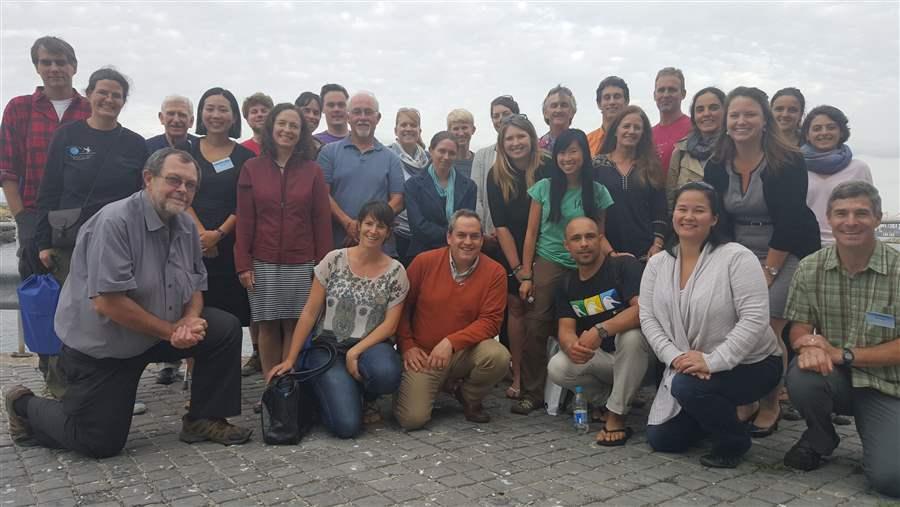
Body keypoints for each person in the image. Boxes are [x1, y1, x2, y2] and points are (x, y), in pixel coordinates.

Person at [3, 148, 252, 457]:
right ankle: (24, 405)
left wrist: (190, 319)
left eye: (190, 185)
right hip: (106, 346)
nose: (183, 190)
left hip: (155, 333)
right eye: (174, 180)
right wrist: (171, 331)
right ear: (148, 179)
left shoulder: (186, 227)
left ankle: (203, 419)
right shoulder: (114, 222)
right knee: (98, 442)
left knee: (223, 328)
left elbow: (195, 285)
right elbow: (108, 304)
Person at [704, 86, 820, 437]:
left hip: (786, 250)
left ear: (764, 120)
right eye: (735, 115)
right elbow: (719, 220)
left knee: (768, 326)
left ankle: (771, 403)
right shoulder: (716, 164)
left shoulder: (789, 161)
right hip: (738, 249)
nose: (742, 121)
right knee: (729, 320)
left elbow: (790, 220)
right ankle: (746, 397)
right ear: (726, 122)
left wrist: (768, 271)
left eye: (750, 114)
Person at [641, 181, 782, 468]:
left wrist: (713, 361)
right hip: (688, 364)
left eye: (699, 210)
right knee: (663, 439)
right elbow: (648, 316)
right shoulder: (658, 263)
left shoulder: (737, 257)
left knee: (688, 388)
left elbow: (754, 318)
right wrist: (675, 357)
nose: (688, 216)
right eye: (682, 209)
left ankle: (734, 440)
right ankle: (719, 413)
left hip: (750, 364)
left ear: (715, 218)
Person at [781, 182, 899, 498]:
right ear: (829, 219)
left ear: (877, 217)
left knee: (891, 480)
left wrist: (841, 354)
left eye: (861, 213)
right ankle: (821, 438)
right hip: (836, 379)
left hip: (888, 386)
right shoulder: (810, 268)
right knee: (802, 374)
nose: (850, 221)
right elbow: (799, 328)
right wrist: (807, 346)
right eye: (841, 213)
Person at [268, 201, 407, 438]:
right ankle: (329, 392)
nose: (373, 231)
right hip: (328, 348)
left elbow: (390, 325)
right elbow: (310, 312)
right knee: (347, 427)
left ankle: (366, 395)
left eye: (381, 226)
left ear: (388, 233)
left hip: (370, 348)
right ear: (359, 225)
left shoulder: (396, 271)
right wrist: (290, 358)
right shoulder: (333, 260)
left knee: (386, 374)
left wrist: (355, 353)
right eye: (369, 223)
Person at [0, 36, 90, 400]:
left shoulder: (89, 108)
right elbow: (6, 171)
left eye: (61, 62)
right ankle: (54, 382)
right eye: (47, 62)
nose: (54, 69)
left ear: (74, 66)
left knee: (85, 297)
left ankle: (85, 379)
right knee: (44, 297)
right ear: (37, 66)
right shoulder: (19, 109)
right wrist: (22, 217)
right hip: (36, 217)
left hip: (83, 221)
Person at [512, 128, 615, 415]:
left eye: (573, 151)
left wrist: (616, 259)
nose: (567, 158)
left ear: (585, 154)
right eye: (562, 152)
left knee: (589, 324)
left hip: (586, 264)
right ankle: (532, 392)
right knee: (537, 324)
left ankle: (586, 392)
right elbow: (531, 233)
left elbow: (600, 234)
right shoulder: (544, 187)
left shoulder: (598, 192)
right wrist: (527, 275)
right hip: (549, 261)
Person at [235, 103, 332, 379]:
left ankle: (287, 385)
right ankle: (270, 388)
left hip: (302, 261)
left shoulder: (312, 171)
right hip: (262, 260)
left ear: (301, 133)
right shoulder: (251, 168)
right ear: (271, 127)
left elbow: (320, 221)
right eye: (282, 124)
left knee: (294, 324)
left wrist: (323, 269)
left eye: (294, 126)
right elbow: (244, 220)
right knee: (266, 325)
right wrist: (243, 263)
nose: (287, 130)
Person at [394, 210, 509, 429]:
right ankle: (435, 385)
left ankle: (467, 395)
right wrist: (407, 346)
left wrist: (450, 343)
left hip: (463, 352)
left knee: (498, 356)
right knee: (411, 419)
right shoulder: (424, 262)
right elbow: (401, 308)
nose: (468, 242)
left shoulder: (495, 272)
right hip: (424, 354)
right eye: (461, 235)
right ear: (449, 237)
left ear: (482, 239)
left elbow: (491, 321)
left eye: (475, 236)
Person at [36, 67, 148, 286]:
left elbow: (143, 197)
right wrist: (43, 243)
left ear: (124, 101)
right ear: (89, 94)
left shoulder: (135, 144)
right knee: (74, 311)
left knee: (116, 307)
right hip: (71, 242)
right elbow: (49, 190)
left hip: (120, 241)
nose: (109, 99)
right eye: (103, 92)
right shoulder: (66, 135)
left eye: (116, 95)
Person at [547, 216, 649, 445]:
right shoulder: (565, 284)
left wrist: (600, 330)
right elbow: (566, 330)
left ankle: (616, 416)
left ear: (601, 240)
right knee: (558, 366)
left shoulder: (624, 265)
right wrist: (571, 345)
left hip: (641, 359)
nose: (584, 243)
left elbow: (642, 311)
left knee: (631, 336)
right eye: (576, 238)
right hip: (604, 361)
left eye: (590, 236)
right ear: (567, 246)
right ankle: (611, 401)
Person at [486, 114, 548, 400]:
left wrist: (535, 264)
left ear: (532, 139)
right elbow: (501, 226)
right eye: (509, 138)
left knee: (541, 310)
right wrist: (519, 269)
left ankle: (544, 376)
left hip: (547, 247)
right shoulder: (496, 175)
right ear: (502, 143)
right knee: (515, 306)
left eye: (521, 136)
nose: (515, 142)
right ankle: (519, 375)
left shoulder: (548, 166)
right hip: (511, 251)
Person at [188, 87, 254, 329]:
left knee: (230, 315)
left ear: (234, 116)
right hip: (190, 242)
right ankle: (192, 368)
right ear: (201, 113)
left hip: (230, 244)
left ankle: (228, 367)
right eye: (210, 108)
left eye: (223, 109)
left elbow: (245, 202)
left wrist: (218, 235)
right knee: (192, 312)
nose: (216, 115)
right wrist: (202, 235)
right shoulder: (187, 149)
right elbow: (180, 194)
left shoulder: (246, 156)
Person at [317, 91, 404, 256]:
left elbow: (398, 200)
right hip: (338, 247)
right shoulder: (329, 153)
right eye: (357, 112)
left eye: (368, 112)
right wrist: (348, 223)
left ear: (377, 118)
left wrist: (369, 226)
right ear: (348, 117)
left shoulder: (391, 158)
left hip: (380, 250)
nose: (363, 117)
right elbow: (322, 194)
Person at [594, 105, 667, 260]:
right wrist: (608, 252)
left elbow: (660, 210)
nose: (631, 131)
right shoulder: (597, 165)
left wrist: (657, 245)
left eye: (637, 127)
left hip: (645, 254)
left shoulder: (650, 167)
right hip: (605, 254)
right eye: (626, 126)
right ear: (615, 130)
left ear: (643, 133)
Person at [800, 105, 873, 245]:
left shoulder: (858, 168)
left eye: (831, 127)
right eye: (817, 129)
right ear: (807, 136)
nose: (824, 132)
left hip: (848, 245)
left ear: (841, 132)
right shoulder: (796, 168)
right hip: (804, 245)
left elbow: (870, 209)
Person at [404, 131, 477, 258]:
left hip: (458, 255)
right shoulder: (413, 185)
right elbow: (418, 226)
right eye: (441, 151)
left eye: (452, 153)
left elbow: (466, 224)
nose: (446, 156)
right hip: (423, 254)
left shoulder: (469, 187)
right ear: (431, 151)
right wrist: (452, 236)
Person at [471, 95, 519, 256]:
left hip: (519, 234)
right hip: (488, 235)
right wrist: (482, 231)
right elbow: (476, 195)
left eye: (505, 114)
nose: (500, 119)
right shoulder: (482, 155)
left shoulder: (523, 153)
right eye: (495, 116)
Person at [666, 87, 726, 211]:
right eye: (700, 110)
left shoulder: (737, 148)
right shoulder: (681, 152)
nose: (706, 113)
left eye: (713, 108)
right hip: (689, 225)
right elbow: (671, 197)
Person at [388, 107, 429, 264]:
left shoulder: (429, 159)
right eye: (403, 125)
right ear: (396, 130)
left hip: (423, 235)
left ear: (419, 130)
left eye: (413, 125)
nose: (408, 129)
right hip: (395, 233)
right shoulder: (386, 156)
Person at [651, 67, 692, 176]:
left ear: (683, 94)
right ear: (654, 95)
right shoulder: (647, 133)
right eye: (661, 90)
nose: (666, 95)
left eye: (672, 90)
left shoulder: (694, 129)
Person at [586, 76, 630, 157]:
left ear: (627, 101)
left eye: (617, 97)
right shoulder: (587, 142)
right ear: (599, 104)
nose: (612, 102)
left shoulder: (635, 139)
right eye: (607, 97)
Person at [538, 85, 577, 154]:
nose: (559, 110)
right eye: (554, 106)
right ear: (545, 113)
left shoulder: (581, 145)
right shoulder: (537, 149)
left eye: (564, 105)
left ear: (572, 112)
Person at [447, 108, 476, 179]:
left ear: (473, 130)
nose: (461, 133)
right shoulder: (444, 162)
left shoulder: (479, 162)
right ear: (448, 132)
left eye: (464, 128)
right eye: (456, 129)